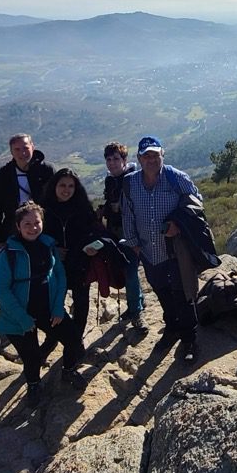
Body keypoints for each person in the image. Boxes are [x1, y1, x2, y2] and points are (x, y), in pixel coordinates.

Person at [120, 136, 205, 361]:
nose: (151, 159)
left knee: (182, 293)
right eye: (146, 155)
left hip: (176, 250)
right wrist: (134, 244)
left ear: (162, 155)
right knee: (162, 291)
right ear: (139, 158)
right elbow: (127, 215)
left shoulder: (176, 178)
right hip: (148, 252)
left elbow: (197, 202)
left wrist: (178, 223)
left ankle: (189, 339)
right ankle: (172, 328)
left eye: (155, 155)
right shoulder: (130, 183)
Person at [0, 202, 87, 407]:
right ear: (18, 226)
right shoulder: (8, 253)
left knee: (74, 340)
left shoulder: (47, 245)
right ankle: (34, 384)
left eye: (37, 222)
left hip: (48, 309)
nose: (33, 227)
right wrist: (22, 318)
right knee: (32, 356)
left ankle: (68, 370)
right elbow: (1, 291)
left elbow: (60, 276)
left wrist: (57, 307)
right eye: (27, 223)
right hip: (20, 315)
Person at [40, 168, 108, 354]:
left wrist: (94, 247)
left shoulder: (83, 208)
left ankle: (76, 340)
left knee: (81, 303)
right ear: (54, 185)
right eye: (62, 185)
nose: (66, 190)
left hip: (80, 263)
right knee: (54, 304)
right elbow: (35, 237)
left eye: (71, 186)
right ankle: (53, 337)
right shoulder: (43, 209)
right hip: (54, 266)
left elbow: (97, 233)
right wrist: (51, 249)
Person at [99, 142, 145, 333]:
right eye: (109, 159)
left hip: (130, 233)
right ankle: (137, 304)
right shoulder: (110, 180)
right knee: (124, 270)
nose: (112, 163)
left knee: (130, 271)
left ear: (125, 160)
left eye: (116, 159)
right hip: (115, 232)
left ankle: (136, 312)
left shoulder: (133, 179)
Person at [0, 133, 55, 249]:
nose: (22, 153)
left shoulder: (47, 171)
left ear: (33, 147)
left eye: (25, 148)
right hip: (13, 231)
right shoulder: (2, 176)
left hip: (44, 229)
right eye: (17, 149)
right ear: (11, 152)